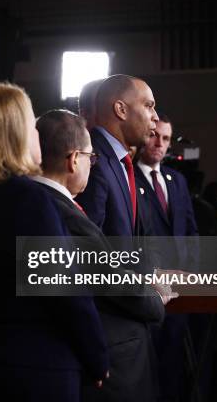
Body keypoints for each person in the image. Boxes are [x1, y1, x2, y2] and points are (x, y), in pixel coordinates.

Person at [0, 82, 108, 402]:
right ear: (15, 134)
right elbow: (64, 293)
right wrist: (97, 358)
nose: (39, 133)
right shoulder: (29, 199)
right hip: (38, 371)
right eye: (32, 123)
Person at [34, 109, 166, 402]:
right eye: (91, 158)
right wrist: (157, 297)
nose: (92, 166)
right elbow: (105, 277)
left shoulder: (36, 203)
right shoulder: (58, 212)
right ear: (74, 159)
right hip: (104, 365)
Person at [75, 74, 166, 401]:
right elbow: (87, 261)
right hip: (111, 342)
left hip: (129, 336)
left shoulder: (121, 162)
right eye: (149, 105)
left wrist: (156, 274)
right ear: (121, 109)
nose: (156, 116)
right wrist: (151, 296)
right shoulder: (93, 162)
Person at [135, 114, 199, 402]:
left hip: (181, 291)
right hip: (148, 292)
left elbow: (190, 232)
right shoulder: (129, 178)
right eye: (154, 136)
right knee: (148, 372)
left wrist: (191, 273)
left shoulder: (177, 180)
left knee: (174, 369)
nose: (159, 143)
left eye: (166, 138)